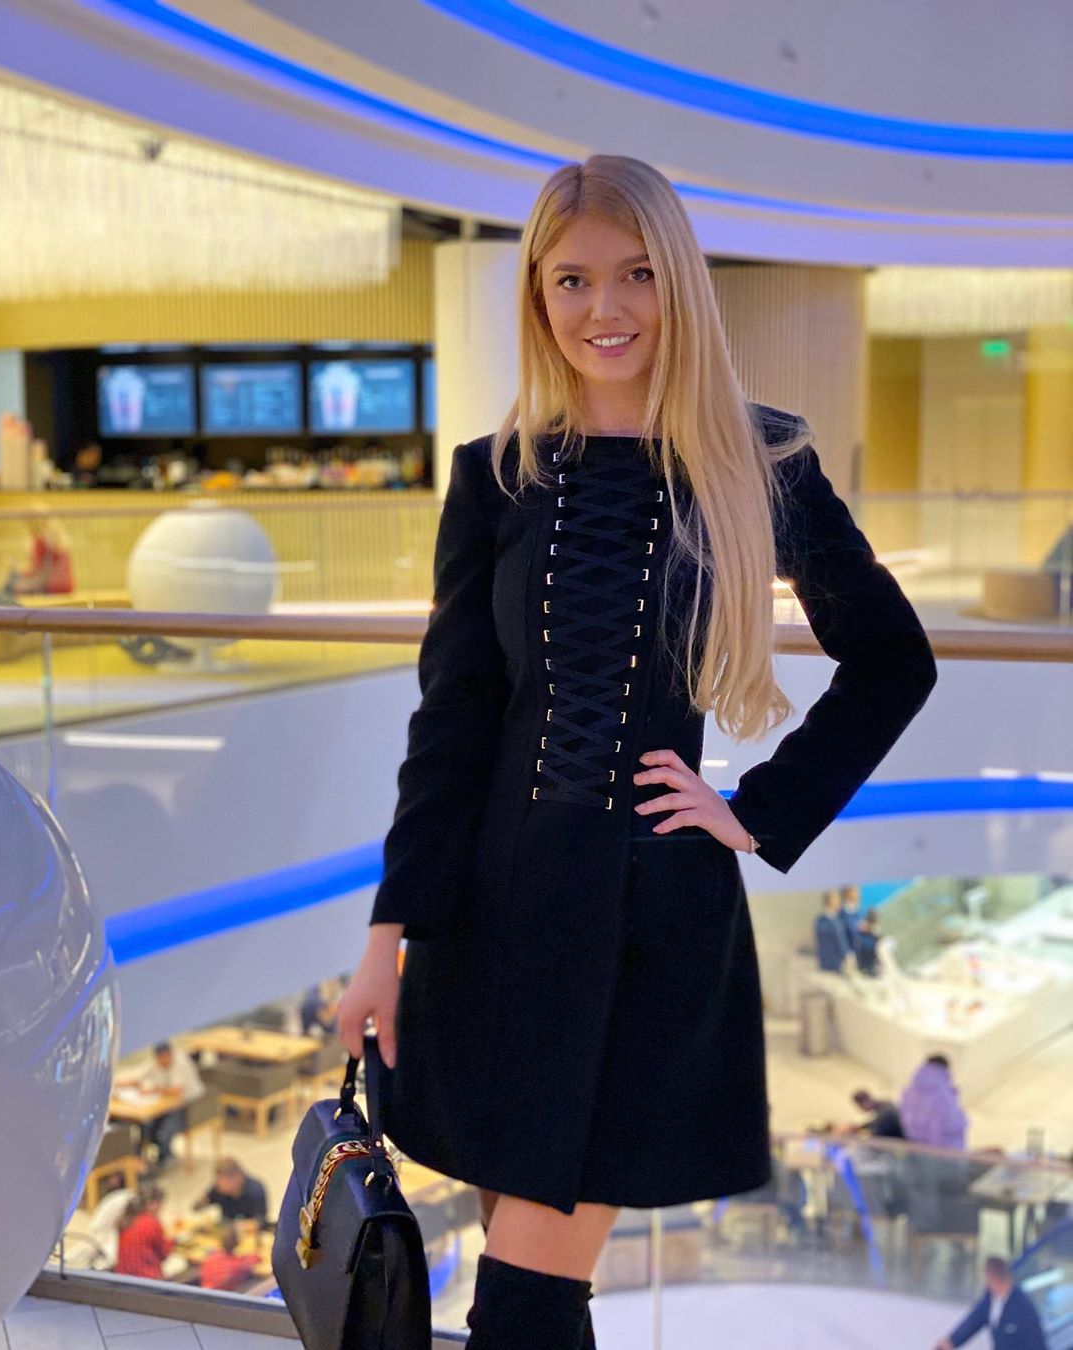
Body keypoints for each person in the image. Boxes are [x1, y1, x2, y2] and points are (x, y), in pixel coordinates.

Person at [335, 153, 938, 1348]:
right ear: (538, 293)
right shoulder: (493, 475)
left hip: (645, 927)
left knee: (520, 1300)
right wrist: (382, 941)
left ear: (680, 284)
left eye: (636, 274)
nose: (603, 308)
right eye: (571, 279)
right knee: (538, 1294)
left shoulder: (758, 459)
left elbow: (892, 659)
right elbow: (452, 723)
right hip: (490, 923)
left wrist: (757, 809)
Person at [121, 1041, 205, 1168]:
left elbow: (177, 1091)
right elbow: (138, 1078)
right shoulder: (155, 1064)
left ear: (170, 1054)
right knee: (146, 1125)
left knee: (164, 1132)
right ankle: (141, 1160)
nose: (161, 1062)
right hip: (166, 1106)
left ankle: (164, 1158)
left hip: (189, 1106)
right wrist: (119, 1085)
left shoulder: (181, 1063)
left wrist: (153, 1090)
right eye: (158, 1058)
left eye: (163, 1058)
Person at [937, 1255, 1047, 1348]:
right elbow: (974, 1321)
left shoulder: (1023, 1308)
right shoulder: (990, 1298)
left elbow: (1035, 1342)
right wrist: (952, 1341)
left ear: (991, 1277)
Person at [901, 1054, 969, 1151]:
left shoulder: (909, 1091)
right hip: (942, 1152)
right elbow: (946, 1125)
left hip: (913, 1149)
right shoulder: (943, 1094)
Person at [114, 1185, 171, 1280]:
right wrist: (172, 1241)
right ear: (152, 1204)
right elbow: (163, 1253)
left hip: (124, 1279)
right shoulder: (150, 1222)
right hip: (147, 1278)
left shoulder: (128, 1220)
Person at [193, 1157, 268, 1224]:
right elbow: (203, 1202)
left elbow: (259, 1221)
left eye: (224, 1183)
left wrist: (236, 1227)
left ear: (237, 1178)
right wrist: (201, 1202)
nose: (219, 1187)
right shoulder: (219, 1188)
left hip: (248, 1231)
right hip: (226, 1224)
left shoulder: (255, 1191)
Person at [199, 1224, 259, 1291]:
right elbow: (256, 1258)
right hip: (223, 1296)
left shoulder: (211, 1256)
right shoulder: (239, 1264)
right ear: (237, 1242)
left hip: (204, 1294)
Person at [815, 892, 851, 973]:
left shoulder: (820, 921)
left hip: (825, 963)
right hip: (834, 963)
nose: (839, 904)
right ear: (830, 902)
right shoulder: (834, 922)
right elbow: (840, 942)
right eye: (837, 901)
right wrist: (847, 956)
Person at [838, 885, 863, 956]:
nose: (857, 894)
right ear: (847, 893)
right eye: (854, 891)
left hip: (860, 951)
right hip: (849, 953)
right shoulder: (842, 914)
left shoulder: (859, 911)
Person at [856, 911, 881, 976]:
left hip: (866, 948)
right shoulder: (864, 924)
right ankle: (869, 967)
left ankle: (872, 966)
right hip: (865, 948)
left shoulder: (871, 926)